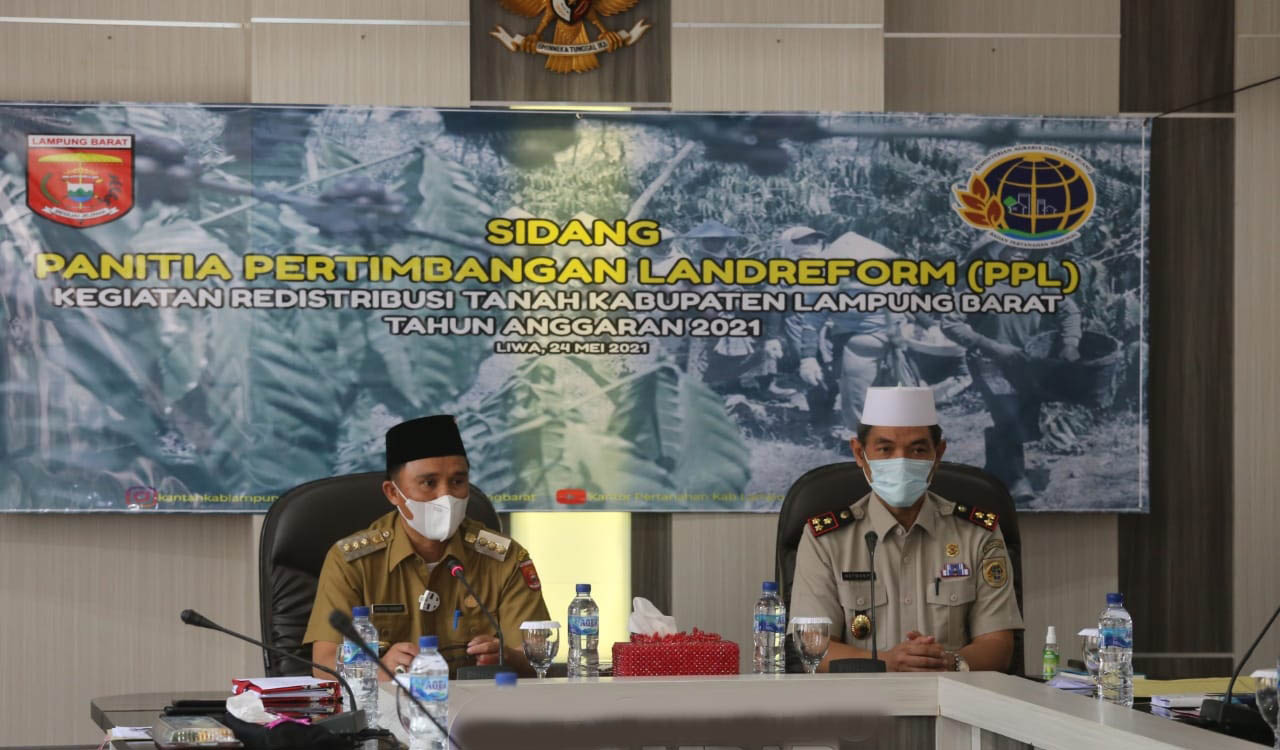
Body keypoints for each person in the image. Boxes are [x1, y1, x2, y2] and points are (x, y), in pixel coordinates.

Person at [789, 387, 1024, 673]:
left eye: (917, 450)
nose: (900, 462)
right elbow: (812, 647)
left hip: (952, 692)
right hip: (860, 698)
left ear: (938, 454)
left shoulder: (977, 534)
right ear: (860, 453)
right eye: (885, 449)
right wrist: (887, 663)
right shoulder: (826, 539)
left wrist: (948, 662)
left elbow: (998, 646)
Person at [304, 415, 550, 679]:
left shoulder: (504, 558)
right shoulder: (353, 561)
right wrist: (381, 669)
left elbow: (538, 656)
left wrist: (507, 657)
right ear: (393, 493)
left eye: (457, 482)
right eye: (429, 483)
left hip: (479, 702)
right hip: (388, 702)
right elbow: (324, 663)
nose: (446, 496)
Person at [939, 239, 1083, 504]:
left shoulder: (1037, 280)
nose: (1021, 252)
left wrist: (1070, 343)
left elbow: (1069, 312)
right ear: (994, 251)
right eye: (1013, 247)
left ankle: (994, 467)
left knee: (1025, 415)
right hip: (988, 361)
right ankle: (1017, 479)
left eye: (1025, 247)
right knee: (1008, 415)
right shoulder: (976, 283)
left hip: (1027, 361)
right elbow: (950, 324)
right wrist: (992, 346)